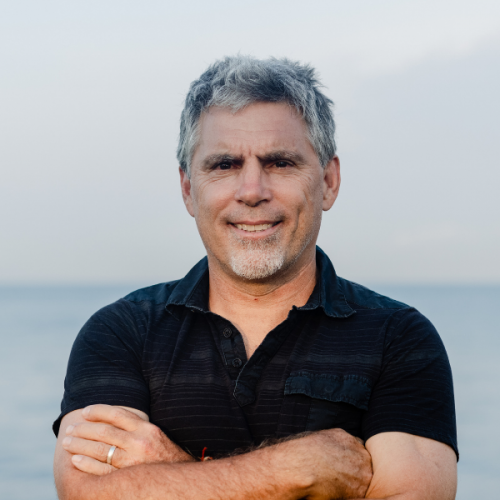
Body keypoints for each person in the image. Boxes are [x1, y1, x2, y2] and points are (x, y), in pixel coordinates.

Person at [53, 56, 458, 500]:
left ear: (328, 181)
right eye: (224, 165)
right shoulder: (121, 332)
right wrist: (297, 469)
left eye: (280, 163)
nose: (251, 191)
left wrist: (169, 468)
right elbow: (85, 493)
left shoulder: (399, 338)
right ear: (188, 190)